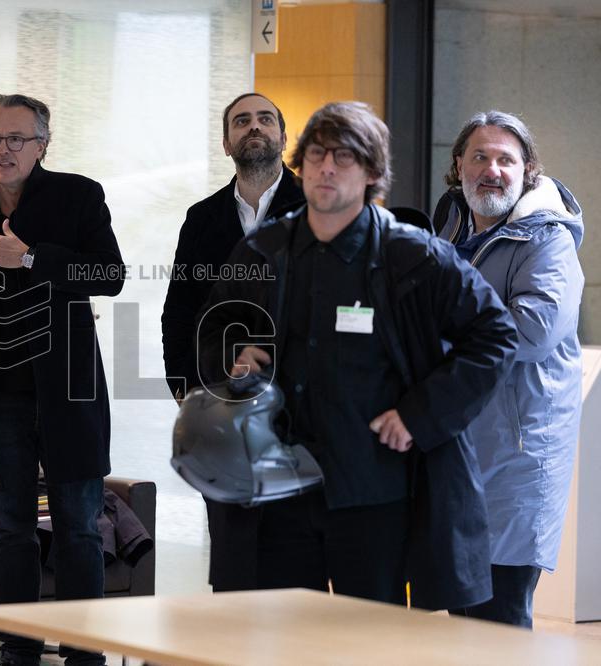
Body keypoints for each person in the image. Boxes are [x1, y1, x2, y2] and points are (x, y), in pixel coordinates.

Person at [196, 101, 518, 610]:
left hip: (374, 492)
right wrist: (233, 357)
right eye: (318, 154)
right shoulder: (262, 250)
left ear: (371, 173)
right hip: (279, 490)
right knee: (275, 639)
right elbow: (213, 329)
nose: (326, 167)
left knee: (369, 646)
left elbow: (496, 336)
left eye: (344, 157)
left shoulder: (414, 255)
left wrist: (421, 415)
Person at [0, 94, 124, 665]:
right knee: (10, 528)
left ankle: (86, 652)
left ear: (42, 145)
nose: (1, 150)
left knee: (79, 525)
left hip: (69, 387)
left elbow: (110, 274)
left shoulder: (78, 194)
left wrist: (29, 258)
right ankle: (18, 650)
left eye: (15, 139)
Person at [435, 111, 584, 628]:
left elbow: (533, 331)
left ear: (528, 172)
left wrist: (441, 331)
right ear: (458, 165)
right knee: (463, 612)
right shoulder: (451, 228)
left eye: (506, 159)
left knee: (501, 613)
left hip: (518, 453)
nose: (491, 170)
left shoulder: (548, 240)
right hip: (463, 444)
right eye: (480, 156)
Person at [161, 92, 304, 591]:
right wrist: (184, 389)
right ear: (227, 143)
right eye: (241, 122)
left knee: (294, 549)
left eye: (266, 119)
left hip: (299, 406)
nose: (254, 127)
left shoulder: (315, 208)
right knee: (231, 551)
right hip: (221, 405)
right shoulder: (202, 218)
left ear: (283, 137)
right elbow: (178, 309)